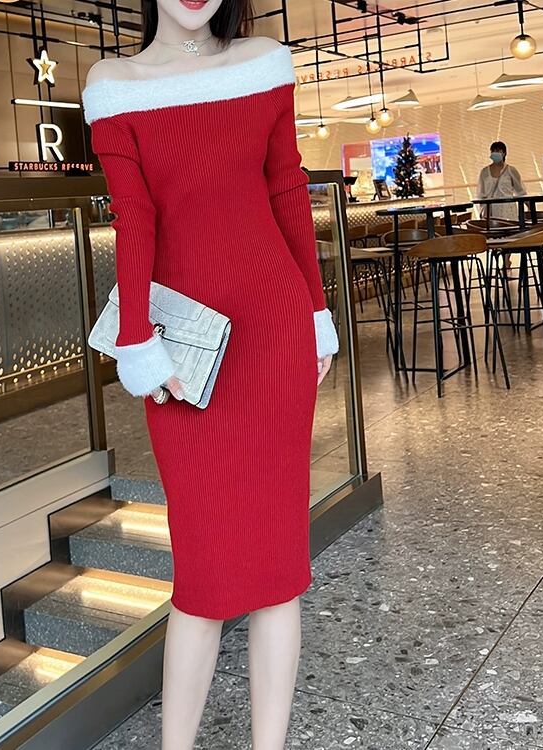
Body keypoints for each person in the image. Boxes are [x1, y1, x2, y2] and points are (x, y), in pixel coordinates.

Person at [82, 1, 339, 747]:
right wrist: (137, 341)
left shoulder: (263, 62)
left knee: (279, 567)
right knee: (200, 574)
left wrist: (316, 314)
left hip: (273, 329)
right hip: (184, 349)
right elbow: (133, 216)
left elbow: (286, 189)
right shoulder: (114, 82)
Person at [476, 141, 527, 221]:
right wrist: (483, 210)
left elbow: (521, 192)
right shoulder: (484, 172)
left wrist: (530, 208)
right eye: (493, 151)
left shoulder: (511, 170)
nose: (495, 153)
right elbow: (481, 195)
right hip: (491, 212)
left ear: (504, 153)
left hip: (508, 211)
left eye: (497, 151)